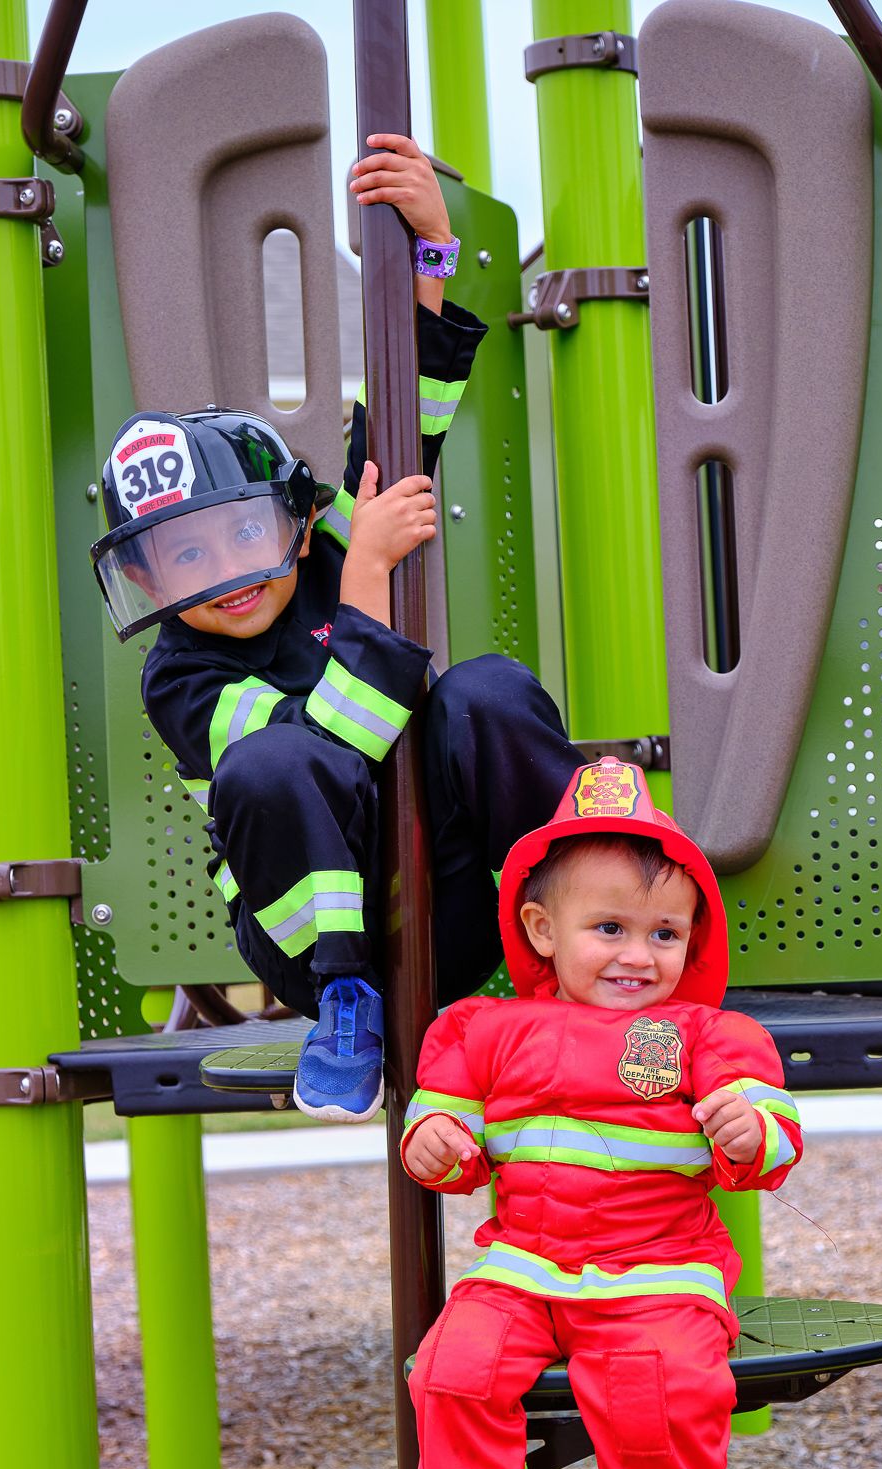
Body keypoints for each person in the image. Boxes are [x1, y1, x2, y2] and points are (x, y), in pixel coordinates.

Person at [90, 133, 581, 1120]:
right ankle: (352, 1014)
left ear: (295, 515)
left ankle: (577, 921)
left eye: (237, 538)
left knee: (488, 689)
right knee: (270, 768)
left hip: (450, 892)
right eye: (180, 560)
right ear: (144, 578)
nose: (220, 577)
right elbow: (330, 754)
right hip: (326, 945)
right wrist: (366, 584)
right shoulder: (179, 679)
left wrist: (428, 255)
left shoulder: (328, 540)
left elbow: (406, 423)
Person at [402, 758, 803, 1469]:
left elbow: (772, 1134)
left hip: (660, 1271)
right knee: (451, 1372)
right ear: (542, 930)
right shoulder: (480, 1029)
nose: (638, 954)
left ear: (694, 937)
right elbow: (445, 1127)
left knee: (660, 1396)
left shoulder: (706, 1034)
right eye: (610, 927)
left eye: (665, 932)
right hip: (525, 1266)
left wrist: (750, 1129)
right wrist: (435, 1144)